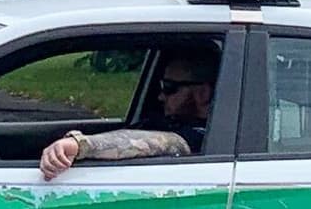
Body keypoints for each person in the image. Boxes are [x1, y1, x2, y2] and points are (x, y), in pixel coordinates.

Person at [36, 45, 221, 181]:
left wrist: (82, 145)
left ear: (202, 93)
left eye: (169, 88)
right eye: (161, 86)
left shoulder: (203, 136)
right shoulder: (164, 119)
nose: (160, 96)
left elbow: (160, 142)